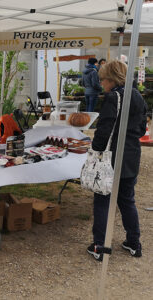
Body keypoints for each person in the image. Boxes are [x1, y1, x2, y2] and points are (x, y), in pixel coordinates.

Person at [87, 60, 148, 261]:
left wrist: (95, 149)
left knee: (103, 199)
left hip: (111, 156)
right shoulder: (138, 96)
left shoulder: (113, 97)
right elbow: (141, 129)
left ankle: (100, 245)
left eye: (103, 79)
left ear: (112, 79)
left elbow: (104, 129)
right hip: (131, 154)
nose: (101, 83)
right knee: (127, 200)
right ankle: (134, 242)